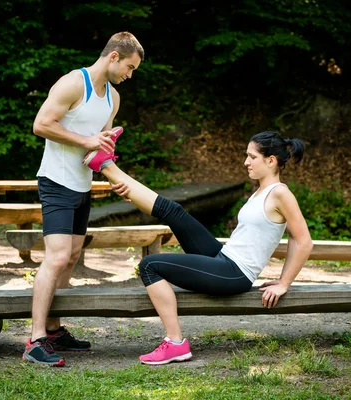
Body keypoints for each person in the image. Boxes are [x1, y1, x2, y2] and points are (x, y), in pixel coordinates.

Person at [85, 130, 313, 365]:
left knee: (149, 265)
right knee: (174, 211)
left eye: (252, 157)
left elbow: (302, 240)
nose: (246, 162)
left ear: (271, 160)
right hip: (224, 257)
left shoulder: (281, 193)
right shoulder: (260, 192)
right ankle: (107, 166)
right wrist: (134, 195)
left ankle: (175, 343)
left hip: (234, 273)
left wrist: (284, 282)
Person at [24, 32, 144, 367]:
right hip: (56, 181)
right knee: (58, 256)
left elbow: (99, 148)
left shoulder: (113, 99)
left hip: (83, 185)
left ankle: (54, 329)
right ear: (114, 56)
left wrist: (116, 178)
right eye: (130, 67)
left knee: (73, 254)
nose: (130, 75)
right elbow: (41, 125)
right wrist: (88, 140)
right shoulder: (73, 83)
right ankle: (34, 340)